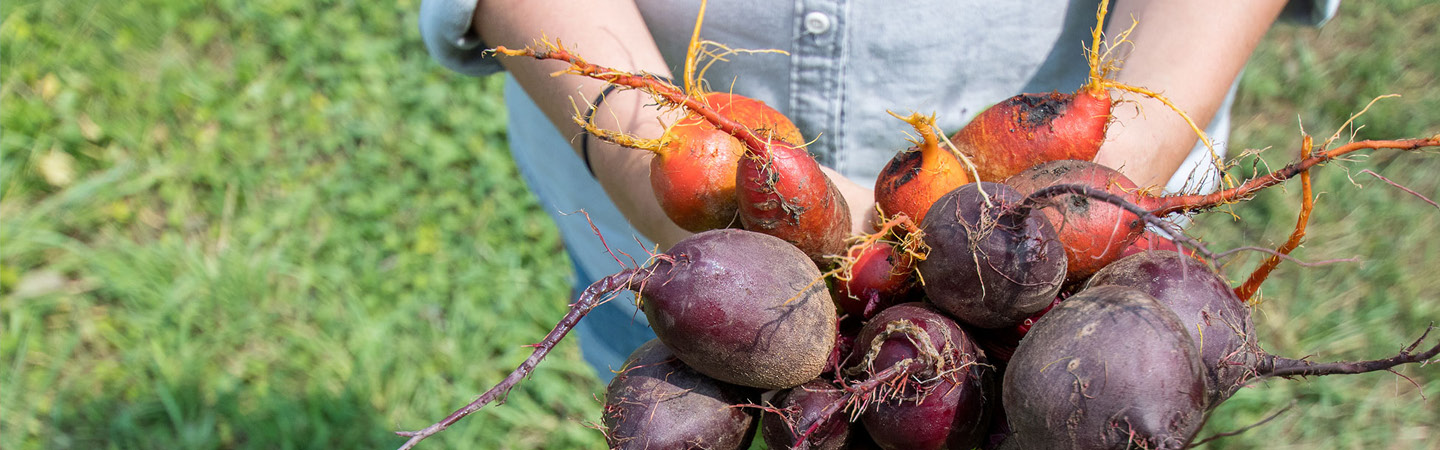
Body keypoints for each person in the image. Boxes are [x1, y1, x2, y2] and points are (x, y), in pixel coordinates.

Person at [420, 0, 1337, 383]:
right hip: (672, 248)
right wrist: (643, 167)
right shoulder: (677, 199)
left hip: (1074, 277)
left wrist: (1113, 176)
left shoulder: (1091, 189)